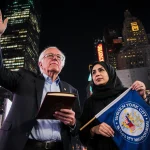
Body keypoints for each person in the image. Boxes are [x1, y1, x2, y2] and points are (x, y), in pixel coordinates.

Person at [0, 10, 81, 150]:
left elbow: (79, 125)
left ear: (62, 65)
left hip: (59, 147)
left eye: (59, 57)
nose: (55, 58)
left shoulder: (71, 90)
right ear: (40, 64)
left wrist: (73, 122)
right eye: (50, 55)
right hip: (25, 146)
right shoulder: (24, 78)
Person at [78, 61, 147, 150]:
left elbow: (143, 119)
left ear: (110, 73)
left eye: (101, 70)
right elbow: (82, 132)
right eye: (93, 72)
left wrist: (142, 97)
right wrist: (94, 129)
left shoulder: (125, 95)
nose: (97, 74)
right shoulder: (90, 102)